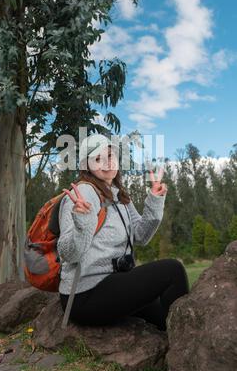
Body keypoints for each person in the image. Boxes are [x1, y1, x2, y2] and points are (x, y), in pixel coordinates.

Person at [57, 134, 189, 331]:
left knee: (162, 317)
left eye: (110, 155)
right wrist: (82, 223)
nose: (107, 162)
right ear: (86, 165)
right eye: (98, 158)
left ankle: (181, 341)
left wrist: (154, 199)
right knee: (173, 270)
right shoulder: (83, 194)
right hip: (84, 294)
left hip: (114, 282)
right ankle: (186, 343)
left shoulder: (118, 194)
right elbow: (68, 254)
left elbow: (140, 236)